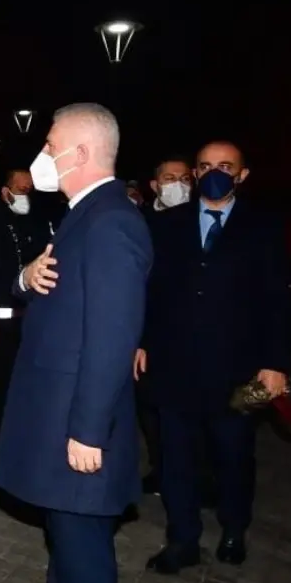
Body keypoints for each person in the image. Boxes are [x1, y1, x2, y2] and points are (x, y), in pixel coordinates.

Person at [0, 103, 151, 583]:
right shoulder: (82, 217)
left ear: (80, 154)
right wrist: (24, 278)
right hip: (56, 412)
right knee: (62, 540)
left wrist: (88, 429)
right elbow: (49, 292)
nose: (43, 155)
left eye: (51, 144)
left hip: (81, 424)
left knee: (85, 554)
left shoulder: (112, 222)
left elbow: (113, 336)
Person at [138, 141, 289, 574]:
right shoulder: (169, 224)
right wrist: (142, 340)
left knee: (233, 456)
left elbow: (277, 300)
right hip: (175, 365)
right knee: (176, 460)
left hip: (238, 371)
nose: (214, 173)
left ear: (242, 175)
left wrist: (275, 362)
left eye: (225, 166)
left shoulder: (262, 227)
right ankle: (182, 539)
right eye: (204, 166)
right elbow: (153, 291)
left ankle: (233, 528)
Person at [0, 168, 52, 474]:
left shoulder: (34, 222)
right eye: (19, 190)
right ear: (5, 192)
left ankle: (15, 447)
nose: (24, 195)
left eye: (28, 190)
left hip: (29, 320)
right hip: (1, 319)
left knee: (22, 391)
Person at [135, 156, 193, 494]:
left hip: (188, 332)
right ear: (155, 185)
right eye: (170, 178)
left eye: (185, 178)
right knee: (151, 408)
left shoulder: (201, 220)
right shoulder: (140, 222)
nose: (179, 184)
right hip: (148, 330)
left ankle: (194, 473)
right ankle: (161, 469)